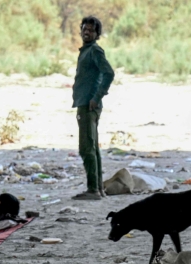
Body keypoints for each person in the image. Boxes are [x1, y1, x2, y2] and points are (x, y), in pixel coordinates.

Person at [72, 16, 115, 201]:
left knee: (86, 147)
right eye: (84, 29)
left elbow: (109, 73)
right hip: (84, 103)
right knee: (93, 147)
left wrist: (97, 97)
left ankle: (93, 190)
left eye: (91, 30)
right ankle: (98, 188)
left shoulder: (95, 51)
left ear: (97, 34)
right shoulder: (86, 51)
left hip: (89, 105)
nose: (86, 32)